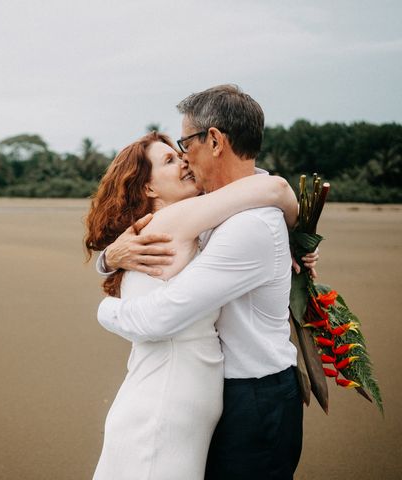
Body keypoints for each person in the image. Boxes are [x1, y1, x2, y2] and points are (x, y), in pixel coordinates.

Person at [96, 85, 313, 479]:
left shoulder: (249, 224)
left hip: (255, 395)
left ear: (214, 140)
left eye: (185, 144)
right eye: (173, 154)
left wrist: (104, 309)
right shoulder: (216, 210)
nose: (183, 157)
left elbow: (161, 316)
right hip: (205, 399)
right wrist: (107, 259)